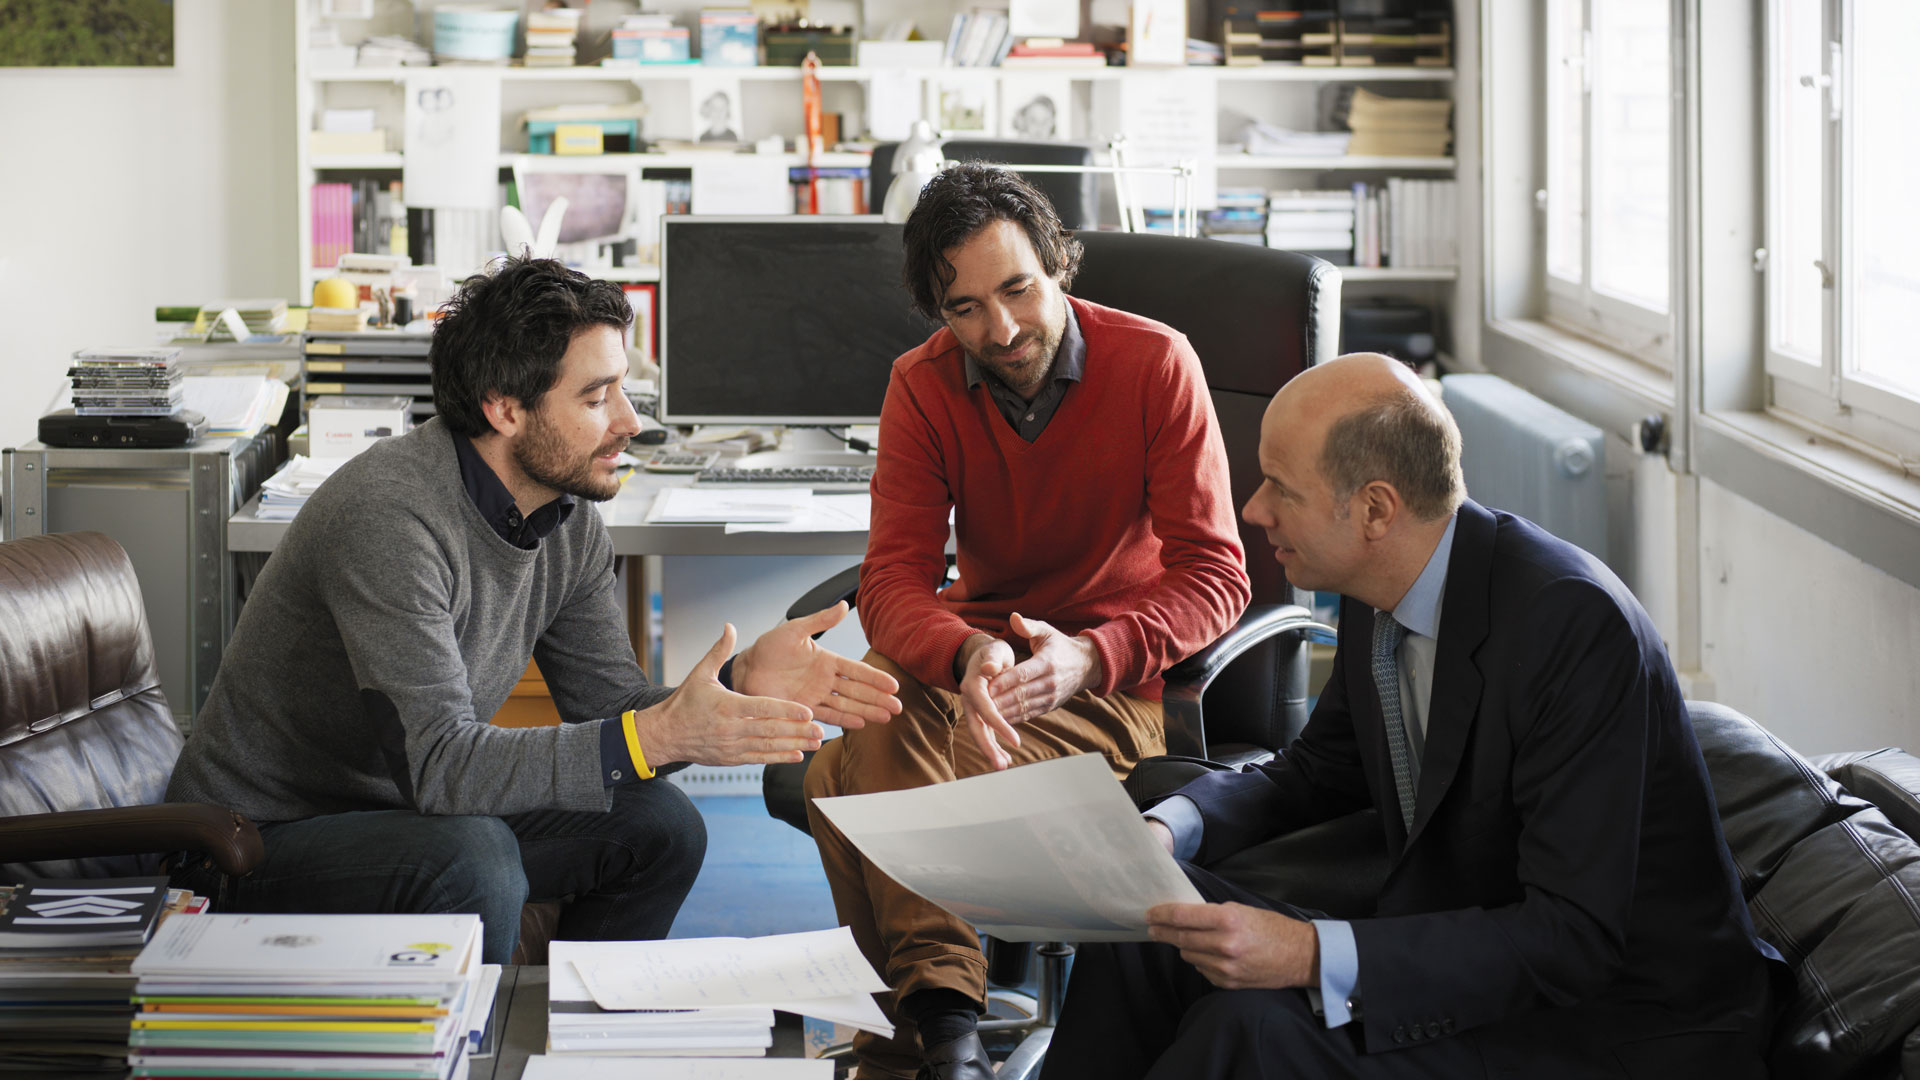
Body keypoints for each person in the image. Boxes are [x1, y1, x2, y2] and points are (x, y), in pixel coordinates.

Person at [1040, 353, 1781, 1079]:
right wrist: (1169, 829)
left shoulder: (1571, 626)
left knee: (1254, 1032)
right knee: (1149, 918)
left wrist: (1305, 952)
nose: (1253, 508)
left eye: (1280, 487)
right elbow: (1315, 773)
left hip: (1622, 1018)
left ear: (1374, 510)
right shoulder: (1381, 589)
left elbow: (1572, 939)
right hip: (1472, 949)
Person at [167, 256, 901, 964]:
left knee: (662, 828)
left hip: (401, 810)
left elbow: (614, 708)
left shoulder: (566, 519)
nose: (631, 422)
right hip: (255, 839)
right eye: (596, 396)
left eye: (625, 389)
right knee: (470, 860)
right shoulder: (391, 519)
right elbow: (444, 768)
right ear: (505, 408)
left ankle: (580, 1034)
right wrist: (660, 735)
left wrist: (739, 684)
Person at [802, 163, 1252, 1080]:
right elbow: (893, 578)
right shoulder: (922, 386)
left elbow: (1217, 575)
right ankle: (948, 1024)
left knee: (838, 769)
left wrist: (1091, 656)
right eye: (964, 309)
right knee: (879, 718)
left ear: (1060, 266)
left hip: (1109, 677)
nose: (999, 331)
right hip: (977, 664)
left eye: (1017, 290)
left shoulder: (1156, 364)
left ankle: (931, 1026)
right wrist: (967, 653)